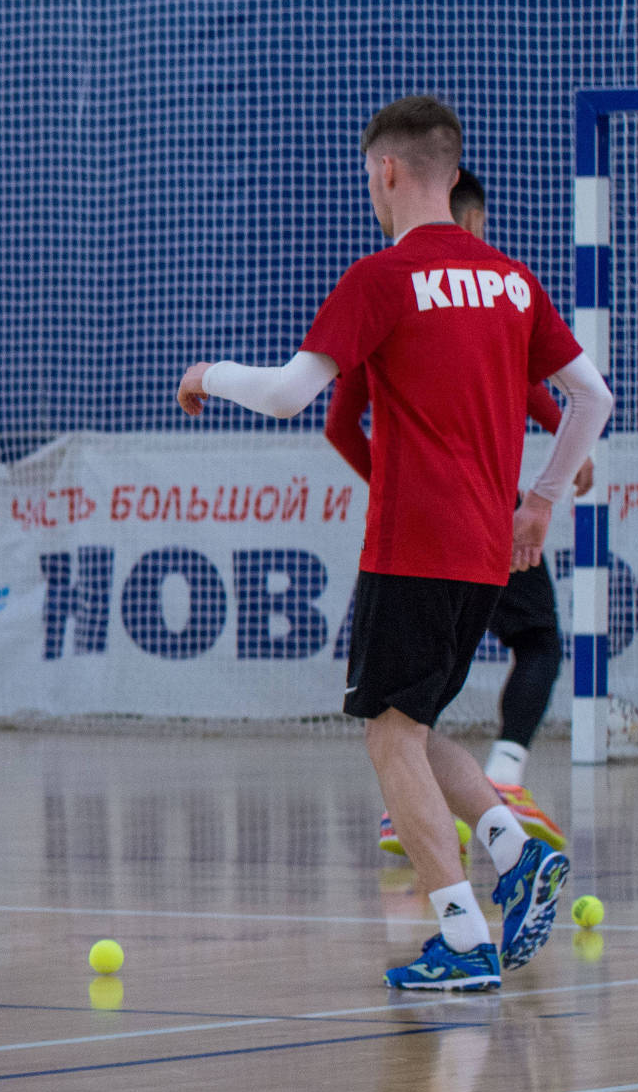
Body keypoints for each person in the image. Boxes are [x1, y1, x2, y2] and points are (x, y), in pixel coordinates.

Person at [177, 96, 610, 992]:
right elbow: (593, 400)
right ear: (453, 173)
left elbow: (296, 395)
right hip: (489, 551)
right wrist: (538, 504)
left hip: (412, 544)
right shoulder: (513, 280)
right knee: (407, 728)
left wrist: (207, 375)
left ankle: (461, 934)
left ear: (384, 172)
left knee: (388, 739)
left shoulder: (382, 276)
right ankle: (513, 853)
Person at [329, 168, 571, 860]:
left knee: (396, 707)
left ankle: (429, 832)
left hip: (411, 536)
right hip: (489, 526)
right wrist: (557, 470)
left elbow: (333, 418)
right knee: (538, 643)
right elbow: (551, 387)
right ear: (467, 224)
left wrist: (393, 484)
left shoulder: (383, 293)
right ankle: (506, 786)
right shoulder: (499, 290)